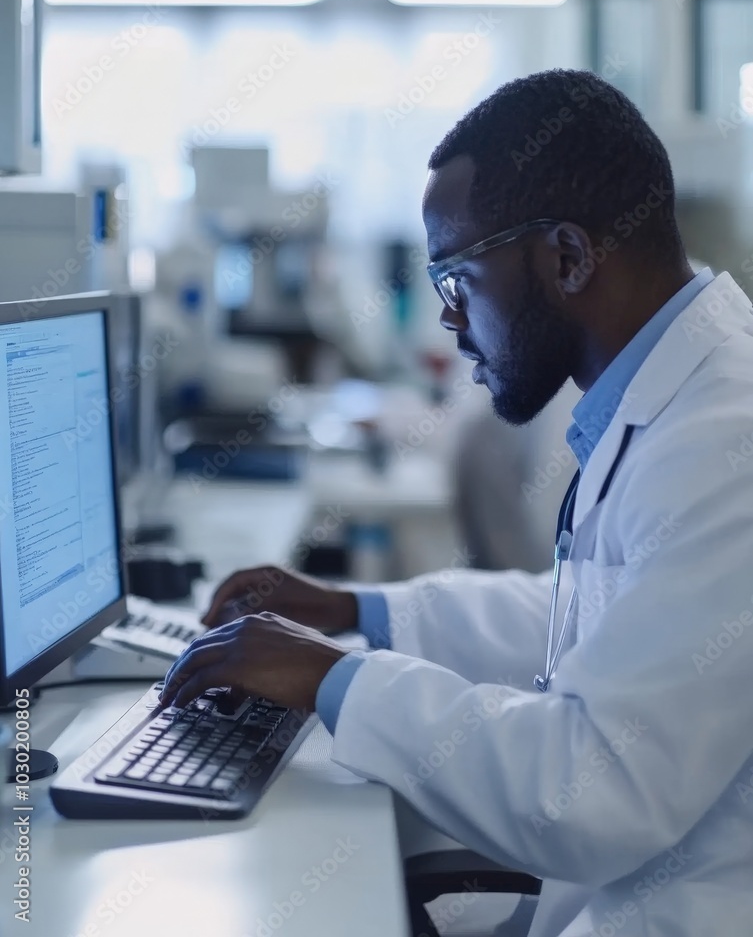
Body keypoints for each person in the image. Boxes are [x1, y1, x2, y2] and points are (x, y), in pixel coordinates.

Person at [160, 70, 753, 937]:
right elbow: (605, 616)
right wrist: (359, 610)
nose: (447, 320)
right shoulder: (671, 396)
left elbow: (590, 791)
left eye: (458, 277)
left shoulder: (722, 441)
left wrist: (337, 678)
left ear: (567, 256)